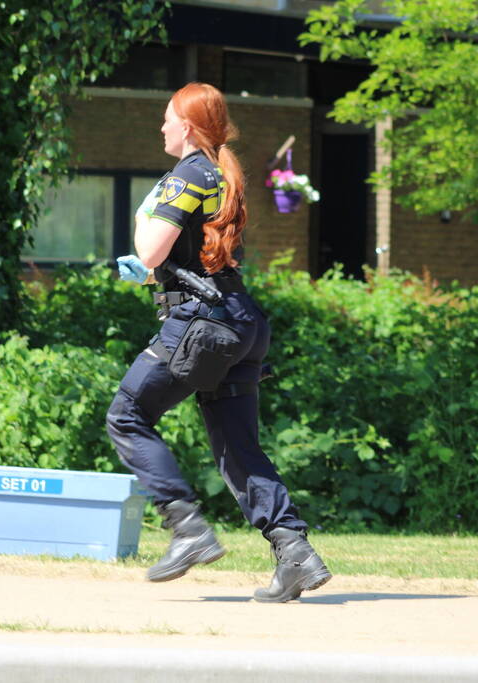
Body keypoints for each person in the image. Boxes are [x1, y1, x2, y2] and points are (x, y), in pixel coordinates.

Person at [106, 82, 331, 603]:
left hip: (202, 323)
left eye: (167, 118)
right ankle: (295, 552)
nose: (161, 127)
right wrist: (153, 276)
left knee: (127, 415)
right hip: (239, 321)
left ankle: (186, 528)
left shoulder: (186, 174)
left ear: (186, 126)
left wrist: (143, 218)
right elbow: (196, 259)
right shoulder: (219, 173)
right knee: (237, 447)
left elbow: (151, 248)